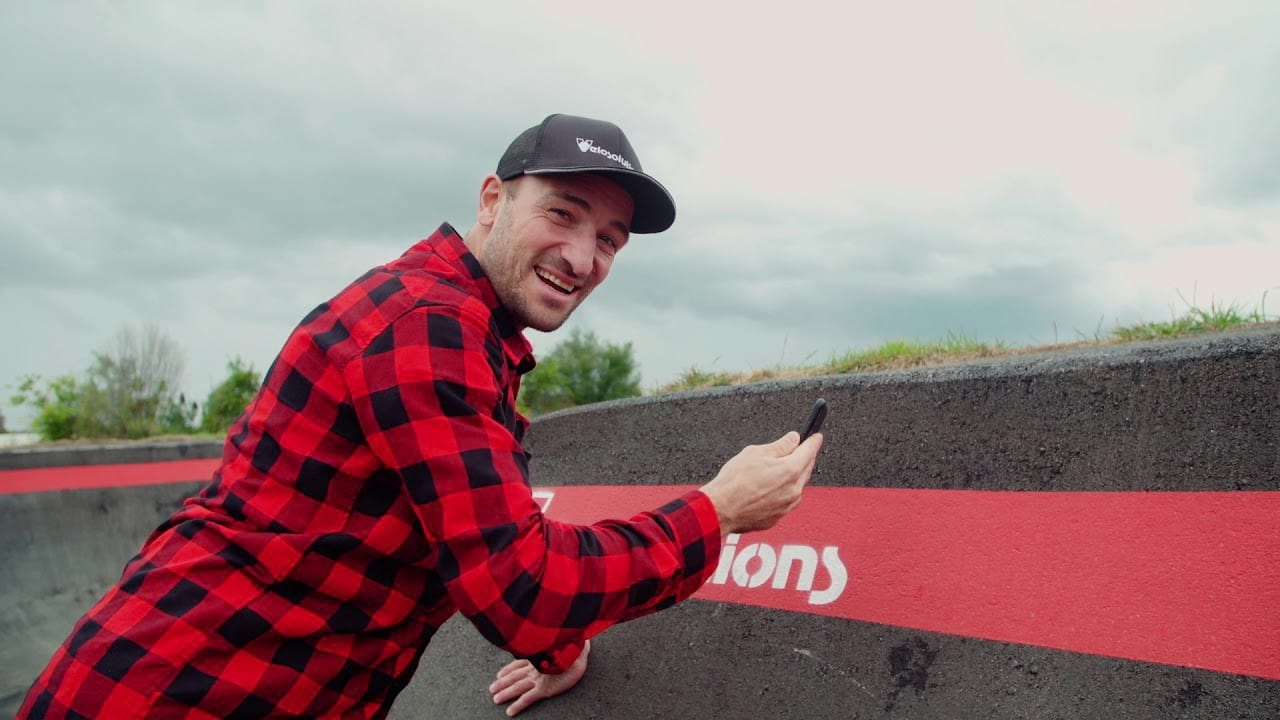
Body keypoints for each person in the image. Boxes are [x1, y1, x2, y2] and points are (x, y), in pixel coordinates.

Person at [17, 114, 823, 719]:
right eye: (564, 213)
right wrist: (717, 514)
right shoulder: (425, 326)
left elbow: (464, 531)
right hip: (174, 696)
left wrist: (556, 647)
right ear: (491, 200)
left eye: (610, 240)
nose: (583, 257)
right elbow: (520, 588)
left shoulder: (464, 330)